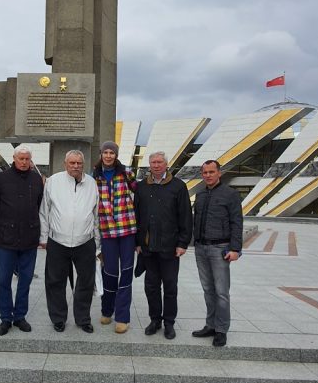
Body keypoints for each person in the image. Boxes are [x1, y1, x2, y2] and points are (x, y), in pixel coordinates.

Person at [39, 149, 99, 333]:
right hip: (58, 241)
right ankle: (58, 318)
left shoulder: (91, 183)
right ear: (65, 164)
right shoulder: (53, 181)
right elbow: (45, 210)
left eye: (79, 163)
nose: (75, 166)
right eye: (72, 163)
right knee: (55, 281)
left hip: (85, 241)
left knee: (86, 282)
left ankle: (83, 318)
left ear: (83, 165)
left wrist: (97, 241)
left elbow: (96, 213)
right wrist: (44, 237)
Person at [135, 151, 192, 339]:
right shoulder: (142, 187)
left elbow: (185, 216)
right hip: (148, 249)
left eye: (160, 162)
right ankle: (155, 320)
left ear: (166, 164)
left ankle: (169, 323)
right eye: (153, 162)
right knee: (151, 287)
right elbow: (136, 216)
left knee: (170, 287)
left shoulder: (178, 186)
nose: (156, 165)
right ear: (149, 165)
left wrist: (182, 243)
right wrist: (138, 243)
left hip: (170, 248)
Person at [0, 144, 44, 336]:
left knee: (25, 280)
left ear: (31, 160)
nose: (24, 162)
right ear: (14, 159)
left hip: (29, 238)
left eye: (27, 159)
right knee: (4, 280)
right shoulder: (1, 179)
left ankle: (20, 316)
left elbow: (39, 206)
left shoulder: (36, 179)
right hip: (6, 238)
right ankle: (6, 317)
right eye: (21, 159)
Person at [192, 159, 243, 347]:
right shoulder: (200, 195)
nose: (208, 175)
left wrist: (235, 249)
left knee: (221, 292)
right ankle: (211, 325)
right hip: (201, 248)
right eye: (205, 172)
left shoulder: (231, 194)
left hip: (220, 248)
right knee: (208, 290)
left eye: (211, 172)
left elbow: (237, 222)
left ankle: (221, 330)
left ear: (219, 173)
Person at [92, 140, 137, 333]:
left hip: (127, 230)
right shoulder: (94, 176)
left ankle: (122, 317)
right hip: (107, 231)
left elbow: (140, 194)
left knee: (126, 272)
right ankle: (107, 310)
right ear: (101, 154)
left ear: (116, 155)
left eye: (112, 153)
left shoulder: (126, 173)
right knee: (109, 272)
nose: (108, 156)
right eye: (106, 152)